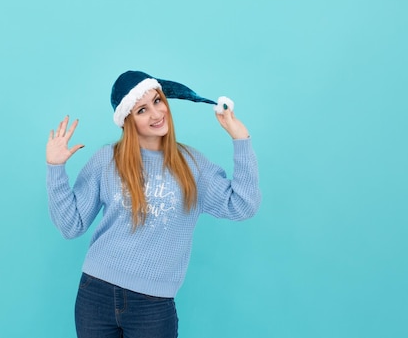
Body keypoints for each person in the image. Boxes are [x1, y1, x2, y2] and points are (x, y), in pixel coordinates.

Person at [46, 70, 261, 338]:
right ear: (127, 120)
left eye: (158, 101)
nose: (156, 114)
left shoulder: (192, 165)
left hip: (153, 305)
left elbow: (242, 205)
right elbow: (71, 226)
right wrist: (55, 168)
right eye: (142, 110)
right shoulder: (107, 159)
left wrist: (241, 141)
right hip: (95, 295)